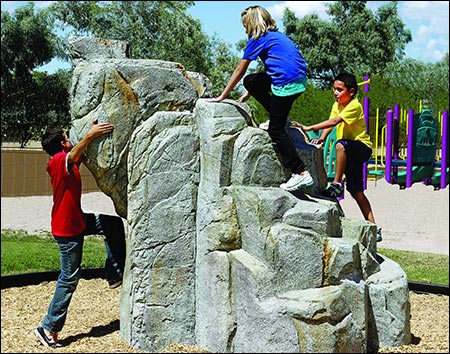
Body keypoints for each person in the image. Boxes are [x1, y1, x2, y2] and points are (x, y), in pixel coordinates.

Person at [35, 119, 126, 348]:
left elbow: (80, 155)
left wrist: (90, 130)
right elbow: (76, 153)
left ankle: (114, 273)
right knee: (69, 278)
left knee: (112, 224)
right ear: (62, 144)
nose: (69, 140)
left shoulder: (68, 162)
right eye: (66, 138)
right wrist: (91, 134)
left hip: (78, 221)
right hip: (67, 230)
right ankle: (47, 327)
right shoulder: (57, 161)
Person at [207, 5, 313, 191]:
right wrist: (252, 90)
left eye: (245, 25)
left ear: (252, 24)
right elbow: (279, 63)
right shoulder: (277, 36)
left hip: (286, 82)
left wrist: (222, 95)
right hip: (299, 79)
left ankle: (300, 172)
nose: (244, 29)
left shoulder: (257, 39)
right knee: (252, 81)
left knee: (276, 130)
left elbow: (240, 69)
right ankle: (278, 116)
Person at [292, 72, 382, 241]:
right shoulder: (337, 105)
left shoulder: (354, 106)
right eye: (334, 89)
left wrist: (309, 127)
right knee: (357, 192)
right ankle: (374, 229)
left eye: (340, 90)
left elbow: (335, 122)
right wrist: (322, 137)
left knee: (340, 145)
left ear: (352, 91)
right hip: (349, 150)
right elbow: (331, 120)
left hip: (362, 147)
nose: (335, 93)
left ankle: (336, 184)